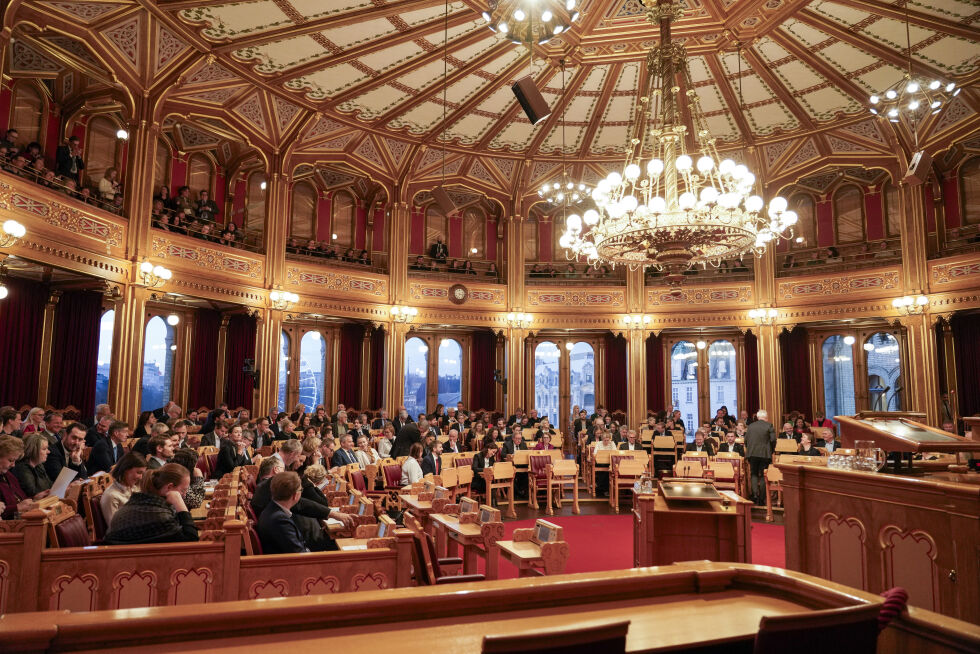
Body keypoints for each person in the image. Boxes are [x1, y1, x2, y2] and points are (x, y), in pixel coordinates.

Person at [103, 463, 198, 545]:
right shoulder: (158, 514)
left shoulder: (143, 501)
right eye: (183, 490)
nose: (184, 495)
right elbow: (191, 539)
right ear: (170, 487)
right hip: (127, 562)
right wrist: (180, 504)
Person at [258, 471, 309, 554]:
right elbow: (299, 555)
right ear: (295, 495)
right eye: (301, 490)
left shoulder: (272, 509)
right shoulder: (279, 521)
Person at [100, 453, 147, 524]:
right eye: (138, 472)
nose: (141, 477)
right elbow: (114, 527)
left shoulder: (135, 488)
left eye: (142, 473)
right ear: (125, 470)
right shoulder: (111, 495)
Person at [745, 409, 776, 505]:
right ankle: (762, 498)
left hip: (752, 453)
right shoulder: (769, 425)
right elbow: (773, 440)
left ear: (758, 417)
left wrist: (750, 449)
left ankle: (754, 495)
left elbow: (746, 440)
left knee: (753, 474)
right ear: (766, 417)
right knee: (763, 475)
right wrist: (771, 450)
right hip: (765, 454)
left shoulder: (750, 426)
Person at [0, 436, 32, 519]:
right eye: (10, 460)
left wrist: (35, 499)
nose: (13, 465)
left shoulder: (8, 475)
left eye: (15, 461)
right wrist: (17, 508)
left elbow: (22, 499)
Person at [13, 433, 53, 499]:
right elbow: (34, 493)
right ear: (33, 450)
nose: (48, 452)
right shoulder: (21, 468)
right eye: (44, 449)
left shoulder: (39, 465)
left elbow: (49, 485)